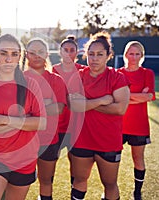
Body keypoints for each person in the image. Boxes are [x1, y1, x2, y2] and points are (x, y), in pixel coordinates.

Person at [0, 33, 47, 200]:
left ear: (20, 56)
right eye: (4, 53)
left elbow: (41, 123)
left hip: (24, 158)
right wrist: (25, 122)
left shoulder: (30, 84)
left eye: (14, 54)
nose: (8, 59)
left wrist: (4, 120)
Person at [68, 31, 130, 200]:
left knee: (110, 184)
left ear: (108, 56)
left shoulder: (117, 77)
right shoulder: (78, 76)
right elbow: (74, 105)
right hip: (82, 138)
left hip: (108, 141)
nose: (94, 58)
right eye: (91, 54)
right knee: (79, 180)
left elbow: (119, 109)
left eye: (99, 54)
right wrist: (102, 100)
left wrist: (86, 103)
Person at [23, 38, 67, 200]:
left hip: (48, 139)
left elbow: (59, 108)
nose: (36, 56)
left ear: (47, 54)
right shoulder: (18, 78)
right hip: (21, 140)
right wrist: (45, 103)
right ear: (26, 55)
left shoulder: (56, 80)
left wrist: (32, 106)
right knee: (16, 182)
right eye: (32, 52)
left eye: (40, 52)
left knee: (46, 181)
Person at [117, 41, 155, 200]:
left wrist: (127, 97)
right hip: (118, 124)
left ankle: (137, 192)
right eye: (131, 54)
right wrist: (140, 96)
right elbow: (115, 98)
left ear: (142, 56)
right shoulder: (117, 73)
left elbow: (150, 96)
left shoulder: (147, 73)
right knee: (112, 160)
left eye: (137, 54)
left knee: (138, 158)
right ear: (125, 55)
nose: (134, 57)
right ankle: (112, 189)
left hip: (139, 125)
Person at [52, 35, 85, 188]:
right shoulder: (53, 71)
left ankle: (74, 191)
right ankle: (47, 191)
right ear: (60, 52)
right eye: (65, 50)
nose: (68, 53)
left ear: (76, 52)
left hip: (75, 125)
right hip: (56, 125)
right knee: (52, 159)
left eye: (72, 50)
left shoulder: (83, 71)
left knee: (75, 161)